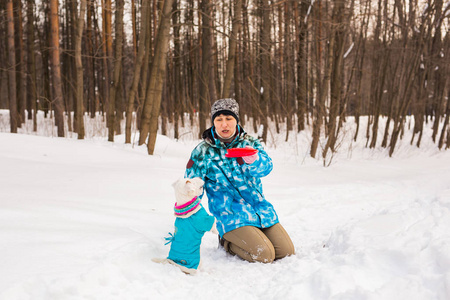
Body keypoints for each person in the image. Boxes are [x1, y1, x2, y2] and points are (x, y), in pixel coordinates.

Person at [185, 98, 295, 263]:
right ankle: (226, 241)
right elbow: (192, 187)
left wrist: (254, 159)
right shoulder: (203, 151)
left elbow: (266, 168)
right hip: (230, 216)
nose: (224, 124)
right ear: (213, 122)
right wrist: (188, 218)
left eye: (229, 119)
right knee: (264, 255)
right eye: (219, 120)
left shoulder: (249, 143)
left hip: (260, 210)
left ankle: (253, 235)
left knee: (286, 252)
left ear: (236, 120)